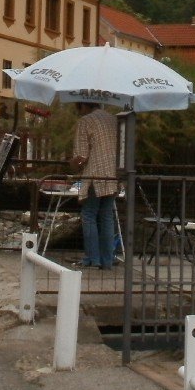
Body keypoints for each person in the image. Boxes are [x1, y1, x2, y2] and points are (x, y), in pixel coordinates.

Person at [70, 101, 120, 269]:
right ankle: (107, 260)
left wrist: (72, 164)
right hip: (113, 174)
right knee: (106, 216)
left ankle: (92, 259)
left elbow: (82, 155)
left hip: (95, 174)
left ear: (83, 106)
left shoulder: (85, 121)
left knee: (89, 215)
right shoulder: (114, 120)